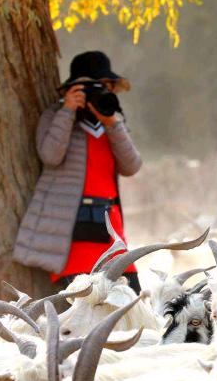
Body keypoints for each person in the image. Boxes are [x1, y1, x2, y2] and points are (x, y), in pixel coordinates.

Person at [14, 50, 142, 292]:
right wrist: (67, 111)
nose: (101, 92)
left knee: (128, 294)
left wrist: (112, 124)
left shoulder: (114, 122)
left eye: (106, 86)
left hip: (109, 226)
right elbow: (50, 156)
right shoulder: (55, 115)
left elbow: (132, 166)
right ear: (75, 88)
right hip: (69, 228)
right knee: (79, 302)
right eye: (94, 87)